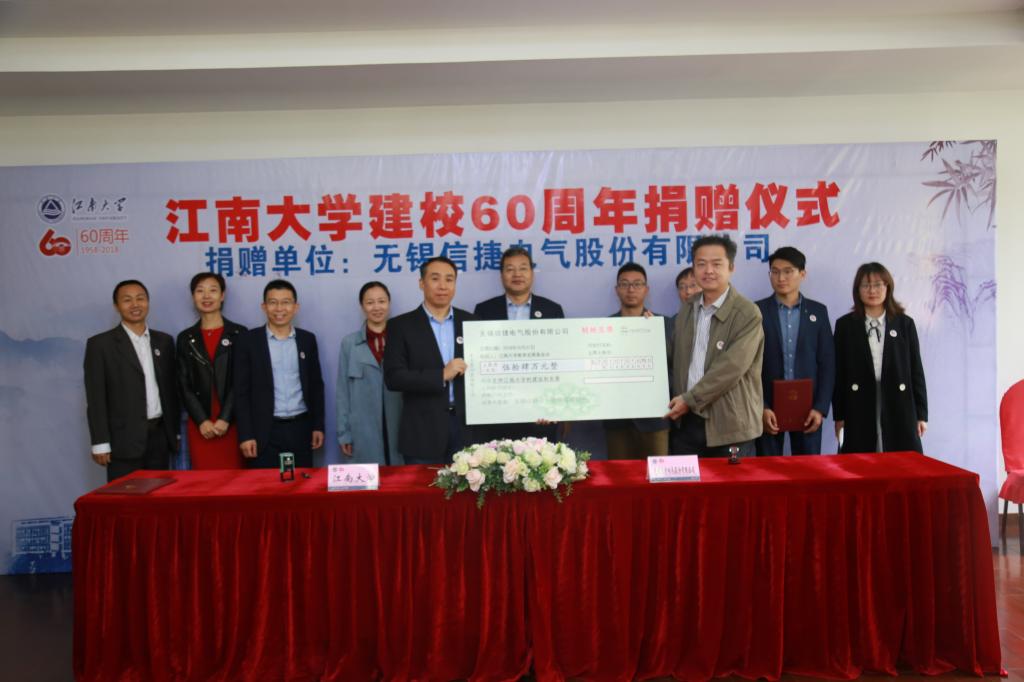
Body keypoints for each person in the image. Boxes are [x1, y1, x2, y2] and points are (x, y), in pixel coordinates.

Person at [666, 236, 764, 458]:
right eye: (701, 264)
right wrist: (645, 332)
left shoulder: (747, 313)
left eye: (716, 264)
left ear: (731, 267)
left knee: (732, 482)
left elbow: (730, 368)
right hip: (687, 423)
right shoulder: (687, 308)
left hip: (731, 426)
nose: (708, 270)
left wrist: (690, 399)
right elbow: (673, 357)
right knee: (688, 482)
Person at [384, 257, 476, 464]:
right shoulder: (400, 326)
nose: (443, 286)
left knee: (468, 486)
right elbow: (393, 378)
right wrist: (441, 375)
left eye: (449, 279)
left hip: (466, 430)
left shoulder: (471, 322)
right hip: (422, 432)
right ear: (421, 283)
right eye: (435, 279)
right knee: (422, 486)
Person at [84, 280, 179, 481]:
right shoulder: (100, 345)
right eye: (127, 300)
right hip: (122, 442)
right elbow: (95, 398)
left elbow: (171, 390)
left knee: (160, 496)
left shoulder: (164, 341)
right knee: (126, 498)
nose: (135, 304)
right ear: (116, 306)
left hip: (160, 439)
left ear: (148, 302)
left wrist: (174, 433)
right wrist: (100, 442)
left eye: (140, 298)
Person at [833, 262, 927, 453]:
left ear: (888, 287)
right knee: (861, 456)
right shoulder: (845, 325)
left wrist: (921, 414)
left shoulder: (904, 324)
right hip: (859, 400)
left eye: (877, 285)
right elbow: (839, 374)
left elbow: (916, 370)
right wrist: (839, 416)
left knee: (901, 457)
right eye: (866, 285)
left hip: (898, 400)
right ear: (857, 290)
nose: (872, 291)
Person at [473, 246, 565, 443]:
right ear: (501, 275)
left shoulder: (552, 310)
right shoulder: (484, 310)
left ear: (532, 273)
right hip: (497, 410)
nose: (517, 274)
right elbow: (478, 361)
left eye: (523, 268)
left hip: (541, 413)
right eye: (510, 269)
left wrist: (553, 406)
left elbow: (561, 360)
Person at [233, 279, 325, 469]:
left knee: (301, 483)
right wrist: (246, 435)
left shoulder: (307, 340)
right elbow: (241, 393)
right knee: (265, 485)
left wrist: (318, 426)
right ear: (264, 306)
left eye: (286, 302)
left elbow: (316, 386)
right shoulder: (248, 341)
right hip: (263, 431)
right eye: (273, 302)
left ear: (295, 307)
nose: (279, 308)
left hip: (301, 428)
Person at [755, 247, 835, 455]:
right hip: (768, 407)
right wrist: (761, 406)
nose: (781, 278)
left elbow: (827, 363)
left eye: (788, 271)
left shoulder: (818, 311)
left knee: (807, 468)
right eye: (775, 271)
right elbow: (748, 365)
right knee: (767, 468)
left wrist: (820, 408)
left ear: (802, 274)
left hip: (808, 408)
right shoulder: (756, 311)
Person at [175, 272, 246, 469]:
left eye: (213, 290)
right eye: (200, 291)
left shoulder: (239, 333)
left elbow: (241, 380)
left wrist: (225, 418)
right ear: (193, 297)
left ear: (222, 295)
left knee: (235, 479)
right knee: (204, 480)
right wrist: (202, 420)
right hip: (201, 425)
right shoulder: (185, 338)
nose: (206, 296)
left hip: (233, 422)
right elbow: (183, 384)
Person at [604, 262, 670, 459]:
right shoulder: (604, 327)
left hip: (655, 419)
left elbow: (674, 366)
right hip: (617, 418)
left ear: (646, 289)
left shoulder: (663, 324)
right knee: (620, 475)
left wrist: (652, 335)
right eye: (624, 284)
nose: (631, 289)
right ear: (617, 290)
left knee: (657, 475)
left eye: (637, 284)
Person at [336, 281, 404, 465]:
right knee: (368, 478)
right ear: (362, 306)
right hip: (363, 431)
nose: (377, 307)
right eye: (370, 302)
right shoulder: (349, 344)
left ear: (389, 303)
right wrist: (344, 433)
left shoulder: (402, 339)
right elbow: (343, 392)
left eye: (381, 301)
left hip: (399, 426)